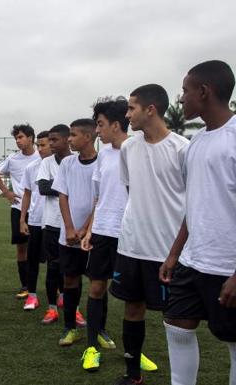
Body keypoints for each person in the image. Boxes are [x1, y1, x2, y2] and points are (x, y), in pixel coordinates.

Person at [160, 60, 236, 385]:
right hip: (192, 262)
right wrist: (175, 253)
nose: (181, 99)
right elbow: (195, 206)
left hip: (227, 267)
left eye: (185, 91)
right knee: (176, 326)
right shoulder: (196, 144)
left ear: (204, 91)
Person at [110, 84, 189, 385]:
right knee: (132, 308)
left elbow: (191, 201)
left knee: (176, 318)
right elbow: (132, 191)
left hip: (168, 250)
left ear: (150, 109)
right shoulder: (129, 148)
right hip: (132, 246)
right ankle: (133, 376)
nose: (127, 113)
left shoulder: (183, 148)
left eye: (131, 108)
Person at [78, 97, 130, 371]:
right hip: (102, 233)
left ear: (117, 125)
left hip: (130, 234)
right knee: (97, 289)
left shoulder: (137, 150)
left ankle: (134, 352)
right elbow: (99, 198)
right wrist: (89, 230)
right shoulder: (104, 156)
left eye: (100, 125)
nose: (97, 131)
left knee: (134, 298)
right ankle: (91, 349)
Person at [52, 119, 97, 347]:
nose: (69, 139)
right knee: (70, 280)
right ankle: (70, 328)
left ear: (87, 137)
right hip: (68, 236)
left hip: (95, 235)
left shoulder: (104, 162)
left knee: (98, 283)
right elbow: (62, 195)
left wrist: (86, 229)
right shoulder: (68, 163)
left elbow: (102, 199)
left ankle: (99, 330)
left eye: (73, 135)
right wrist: (70, 228)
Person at [36, 125, 81, 326]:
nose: (51, 144)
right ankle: (52, 308)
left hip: (74, 224)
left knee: (73, 270)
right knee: (53, 267)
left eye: (54, 140)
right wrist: (66, 187)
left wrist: (62, 186)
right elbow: (43, 188)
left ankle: (75, 310)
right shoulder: (46, 163)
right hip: (52, 223)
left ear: (65, 140)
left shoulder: (76, 162)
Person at [0, 124, 39, 299]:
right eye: (16, 138)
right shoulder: (13, 159)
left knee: (47, 249)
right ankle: (25, 285)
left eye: (21, 137)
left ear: (31, 138)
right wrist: (7, 192)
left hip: (40, 210)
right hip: (19, 208)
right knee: (22, 248)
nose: (18, 141)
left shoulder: (41, 156)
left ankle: (56, 287)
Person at [18, 130, 52, 310]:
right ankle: (31, 296)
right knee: (32, 260)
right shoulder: (32, 168)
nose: (40, 149)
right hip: (36, 221)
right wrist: (23, 219)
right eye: (38, 145)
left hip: (55, 222)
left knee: (56, 263)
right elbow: (26, 194)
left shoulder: (62, 165)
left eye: (44, 145)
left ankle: (61, 295)